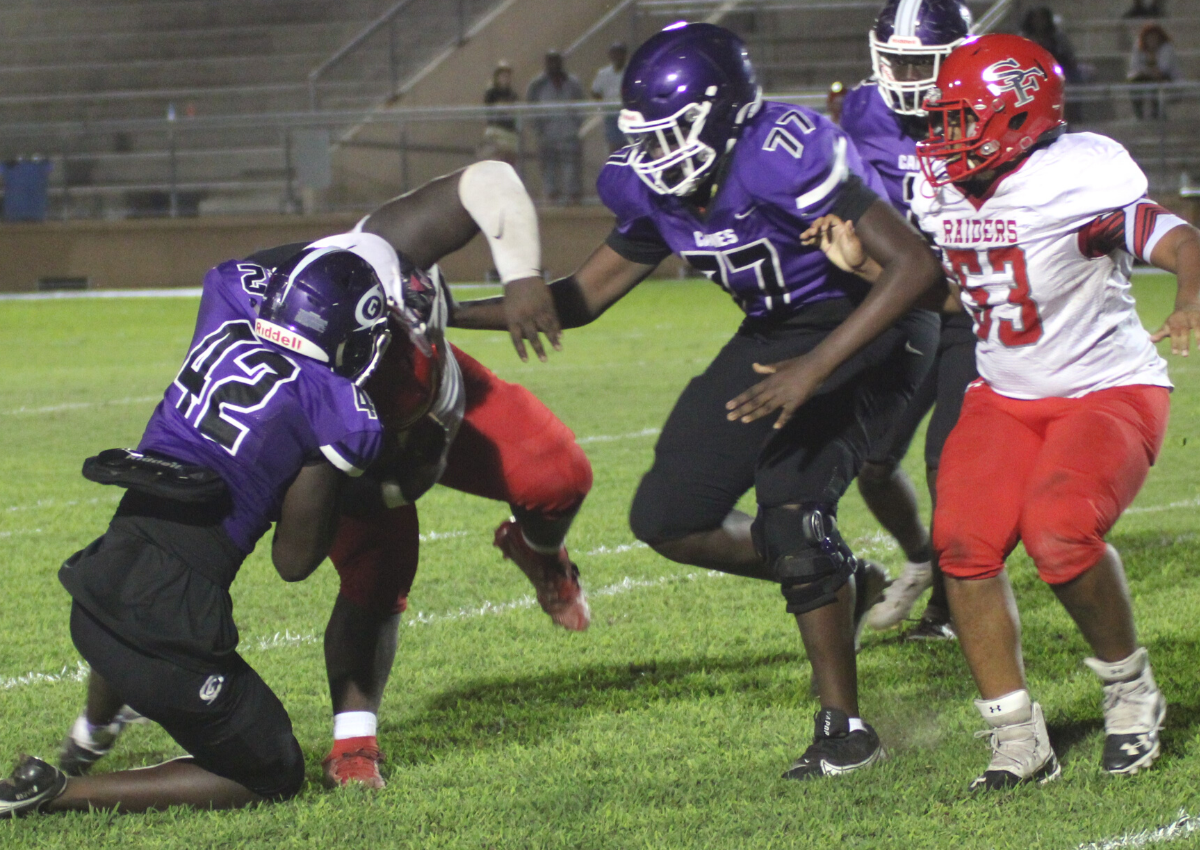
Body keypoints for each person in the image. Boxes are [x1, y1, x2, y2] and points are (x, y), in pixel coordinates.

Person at [454, 23, 945, 779]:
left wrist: (811, 369)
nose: (654, 155)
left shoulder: (782, 154)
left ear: (720, 115)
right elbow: (583, 297)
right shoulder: (648, 183)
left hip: (875, 320)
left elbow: (915, 269)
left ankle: (845, 729)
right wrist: (443, 310)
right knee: (669, 517)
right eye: (644, 137)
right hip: (779, 332)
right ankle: (836, 575)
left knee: (791, 503)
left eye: (669, 133)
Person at [55, 161, 595, 791]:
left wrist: (522, 277)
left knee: (560, 474)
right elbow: (305, 547)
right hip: (350, 442)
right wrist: (398, 480)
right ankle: (354, 740)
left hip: (451, 400)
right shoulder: (328, 398)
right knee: (379, 566)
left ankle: (540, 554)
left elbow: (490, 179)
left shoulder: (378, 250)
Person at [817, 33, 1200, 789]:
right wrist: (866, 267)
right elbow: (967, 293)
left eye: (964, 118)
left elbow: (1180, 238)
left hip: (1106, 387)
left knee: (1059, 534)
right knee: (962, 545)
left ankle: (1131, 694)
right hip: (1004, 391)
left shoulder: (1076, 178)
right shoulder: (943, 185)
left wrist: (1189, 298)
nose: (945, 135)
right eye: (944, 118)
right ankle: (1017, 734)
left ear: (1022, 115)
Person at [0, 247, 390, 815]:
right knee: (274, 770)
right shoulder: (334, 405)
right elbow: (293, 562)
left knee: (137, 613)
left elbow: (230, 271)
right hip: (168, 628)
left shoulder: (225, 323)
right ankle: (62, 792)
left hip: (94, 595)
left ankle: (93, 730)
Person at [840, 0, 976, 641]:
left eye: (920, 61)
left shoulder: (987, 103)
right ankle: (924, 558)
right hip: (910, 299)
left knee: (945, 459)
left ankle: (948, 609)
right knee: (873, 460)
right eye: (896, 60)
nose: (907, 76)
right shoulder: (865, 108)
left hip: (977, 300)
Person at [526, 50, 585, 204]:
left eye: (556, 61)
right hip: (547, 135)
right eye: (550, 61)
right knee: (548, 169)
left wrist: (575, 125)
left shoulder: (572, 82)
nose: (554, 64)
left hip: (569, 133)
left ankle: (572, 202)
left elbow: (581, 105)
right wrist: (539, 129)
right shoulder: (537, 84)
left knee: (571, 168)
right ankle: (552, 201)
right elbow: (530, 107)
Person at [1128, 23, 1179, 120]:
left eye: (1155, 37)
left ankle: (1156, 113)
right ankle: (1139, 114)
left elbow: (1164, 68)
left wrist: (1153, 71)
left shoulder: (1167, 48)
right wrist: (1147, 71)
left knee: (1155, 84)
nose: (1152, 40)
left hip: (1166, 78)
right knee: (1133, 82)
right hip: (1145, 77)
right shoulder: (1139, 48)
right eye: (1149, 37)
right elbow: (1135, 66)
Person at [591, 42, 630, 153]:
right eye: (615, 53)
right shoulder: (603, 73)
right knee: (614, 147)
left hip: (626, 113)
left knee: (629, 145)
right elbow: (595, 91)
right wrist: (603, 105)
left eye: (620, 53)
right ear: (611, 55)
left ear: (624, 55)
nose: (617, 56)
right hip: (611, 115)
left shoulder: (630, 70)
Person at [482, 60, 520, 165]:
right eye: (502, 75)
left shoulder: (512, 94)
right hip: (496, 131)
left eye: (507, 75)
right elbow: (493, 109)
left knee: (510, 162)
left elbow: (514, 111)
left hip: (510, 132)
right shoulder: (491, 92)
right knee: (497, 161)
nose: (505, 78)